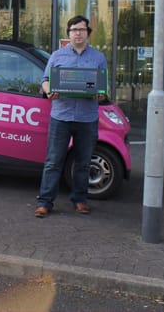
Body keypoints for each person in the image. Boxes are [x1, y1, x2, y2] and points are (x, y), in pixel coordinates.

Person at [34, 15, 108, 218]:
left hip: (87, 118)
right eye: (74, 30)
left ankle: (80, 200)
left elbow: (103, 87)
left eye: (82, 30)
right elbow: (45, 80)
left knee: (84, 162)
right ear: (69, 33)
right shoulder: (57, 56)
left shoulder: (98, 58)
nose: (78, 33)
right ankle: (45, 202)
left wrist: (100, 94)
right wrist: (49, 91)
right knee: (53, 162)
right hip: (61, 116)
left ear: (88, 33)